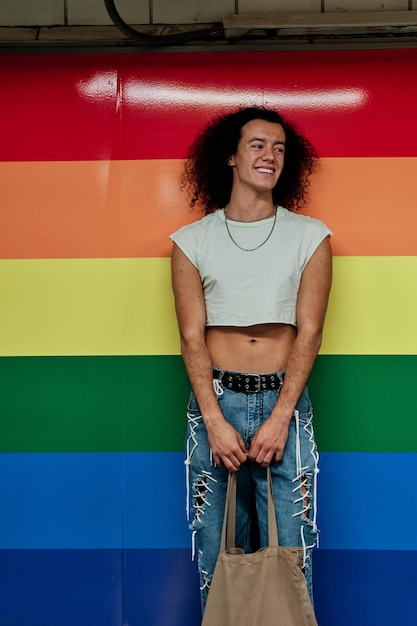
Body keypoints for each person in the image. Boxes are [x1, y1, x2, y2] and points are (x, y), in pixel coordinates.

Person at [170, 106, 332, 614]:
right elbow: (192, 338)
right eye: (258, 145)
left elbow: (310, 332)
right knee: (214, 549)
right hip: (214, 403)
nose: (270, 156)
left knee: (294, 547)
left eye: (280, 148)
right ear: (231, 156)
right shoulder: (191, 241)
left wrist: (281, 416)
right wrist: (214, 422)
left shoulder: (311, 236)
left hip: (285, 400)